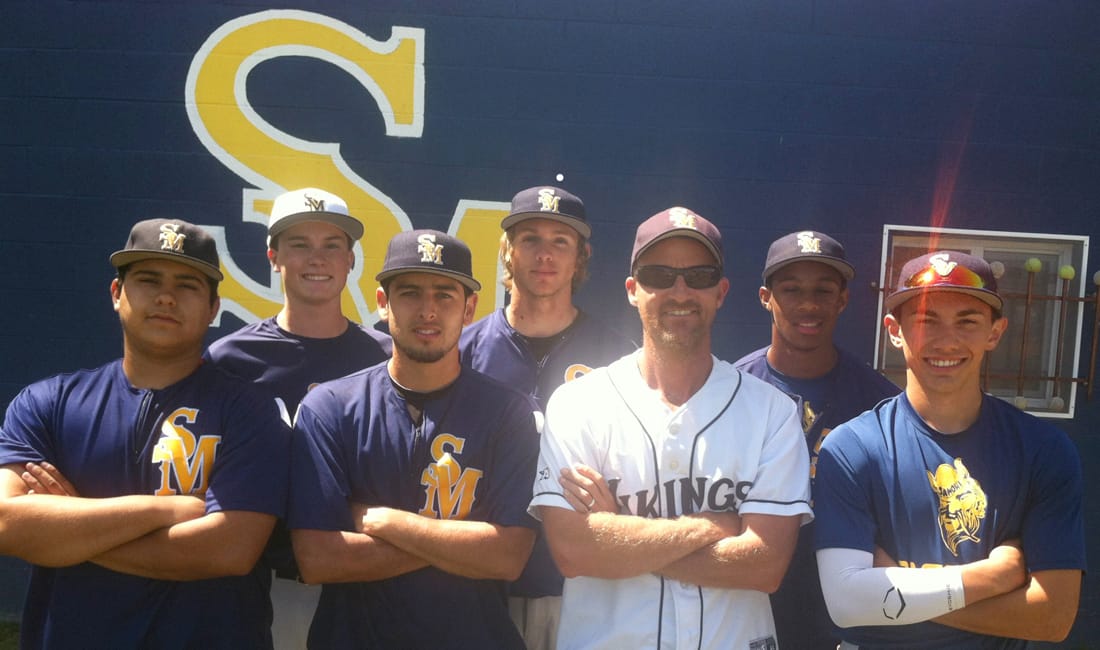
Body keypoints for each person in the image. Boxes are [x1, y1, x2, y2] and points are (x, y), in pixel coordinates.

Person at [0, 218, 290, 649]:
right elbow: (8, 524)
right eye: (148, 280)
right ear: (117, 293)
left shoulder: (250, 411)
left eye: (187, 285)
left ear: (213, 308)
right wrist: (164, 510)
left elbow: (229, 550)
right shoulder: (48, 402)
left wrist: (70, 532)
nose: (166, 297)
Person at [531, 207, 813, 649]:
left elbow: (764, 566)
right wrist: (713, 526)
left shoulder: (772, 412)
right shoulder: (577, 403)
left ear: (720, 292)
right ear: (633, 290)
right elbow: (573, 551)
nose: (680, 291)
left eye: (699, 276)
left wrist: (618, 532)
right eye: (659, 275)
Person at [814, 251, 1085, 648]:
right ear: (894, 330)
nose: (947, 341)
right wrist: (991, 578)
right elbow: (847, 604)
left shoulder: (1043, 450)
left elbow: (1052, 618)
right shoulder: (851, 448)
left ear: (995, 332)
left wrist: (891, 595)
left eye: (967, 321)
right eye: (927, 320)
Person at [288, 229, 540, 648]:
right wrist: (459, 544)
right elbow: (318, 559)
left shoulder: (508, 413)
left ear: (469, 308)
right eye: (409, 294)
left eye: (445, 295)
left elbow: (508, 556)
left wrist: (385, 523)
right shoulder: (329, 408)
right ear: (382, 303)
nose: (428, 311)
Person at [205, 187, 391, 650]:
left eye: (332, 246)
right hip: (263, 578)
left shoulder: (385, 357)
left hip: (363, 574)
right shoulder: (231, 358)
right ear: (273, 257)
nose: (317, 259)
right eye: (299, 245)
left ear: (350, 261)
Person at [460, 185, 635, 649]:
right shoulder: (462, 352)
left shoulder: (620, 356)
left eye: (561, 241)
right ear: (507, 250)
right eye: (530, 239)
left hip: (580, 582)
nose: (545, 254)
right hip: (476, 582)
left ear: (581, 257)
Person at [734, 230, 899, 648]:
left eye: (823, 291)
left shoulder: (879, 401)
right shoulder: (731, 392)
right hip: (746, 605)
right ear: (765, 297)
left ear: (842, 300)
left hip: (840, 619)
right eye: (791, 290)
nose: (808, 305)